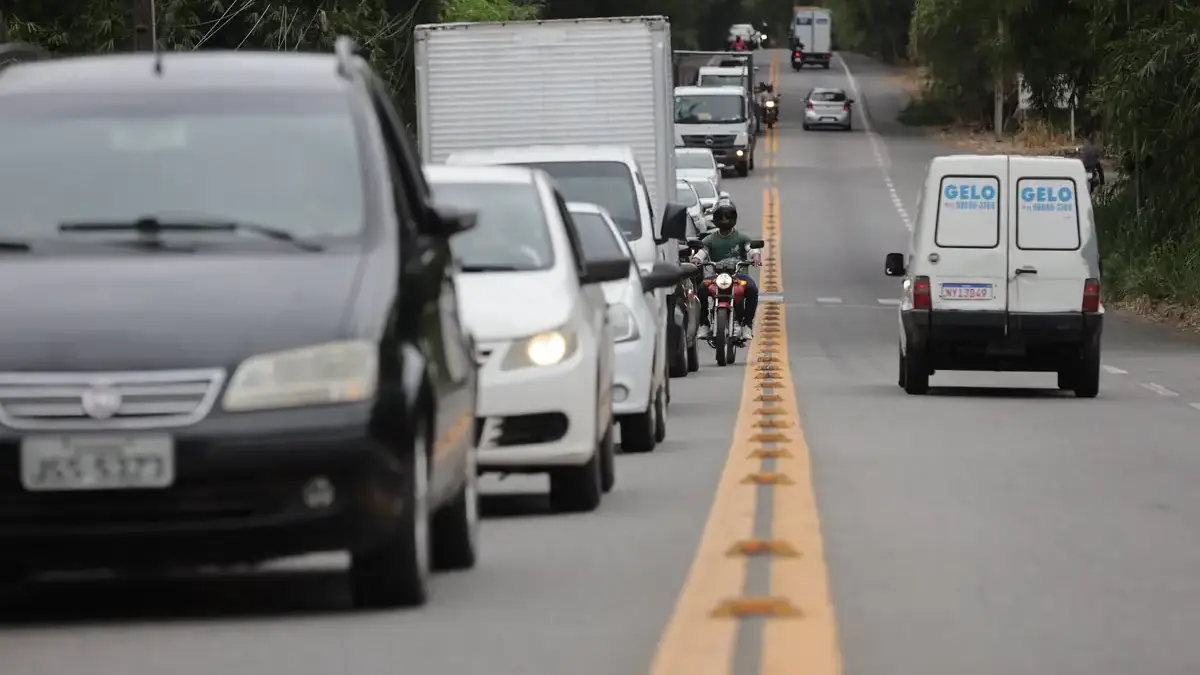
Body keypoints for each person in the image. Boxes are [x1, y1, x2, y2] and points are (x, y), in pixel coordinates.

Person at [691, 201, 761, 341]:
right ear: (715, 219)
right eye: (721, 217)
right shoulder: (710, 239)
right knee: (701, 290)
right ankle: (704, 324)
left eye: (728, 216)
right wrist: (696, 260)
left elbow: (752, 248)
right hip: (716, 277)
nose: (725, 220)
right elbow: (702, 252)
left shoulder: (742, 237)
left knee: (752, 289)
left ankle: (747, 325)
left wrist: (756, 257)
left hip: (739, 276)